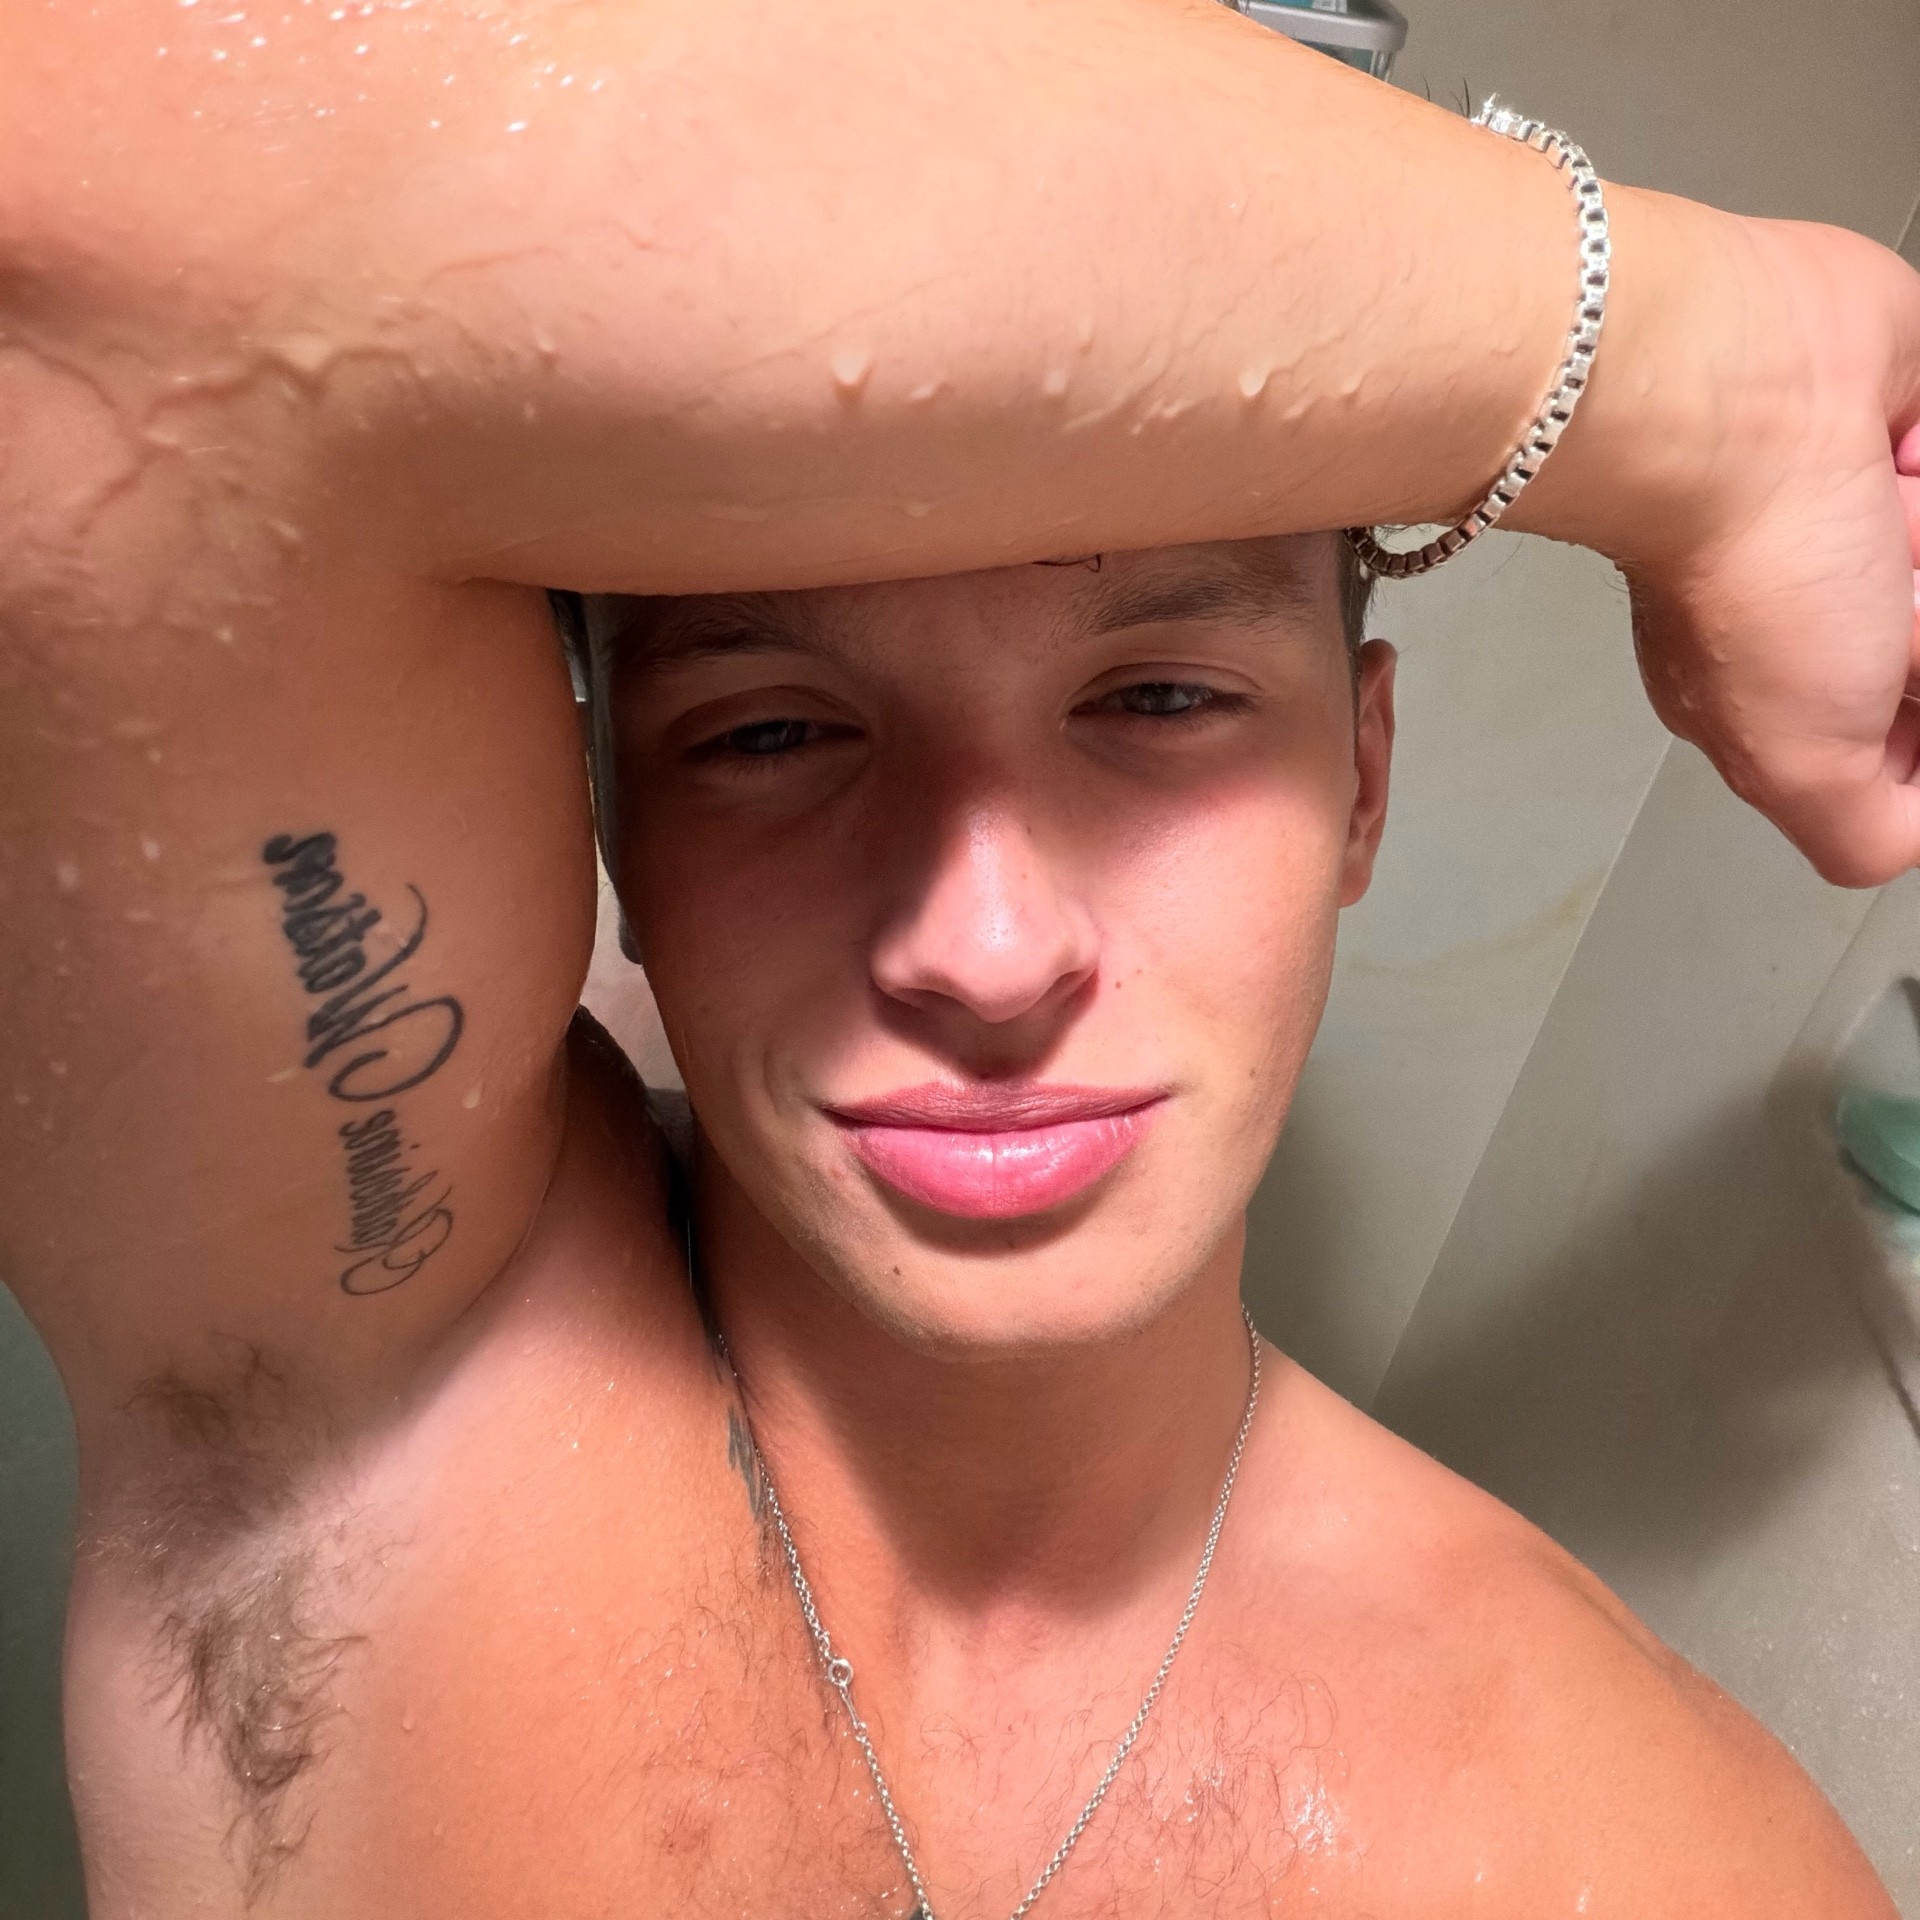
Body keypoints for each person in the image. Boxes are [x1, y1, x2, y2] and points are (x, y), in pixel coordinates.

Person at [1, 0, 1917, 1912]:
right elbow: (82, 220)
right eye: (770, 732)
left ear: (1364, 783)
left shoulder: (1659, 1855)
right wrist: (1703, 372)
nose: (985, 954)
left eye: (1157, 699)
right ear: (610, 825)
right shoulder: (354, 1362)